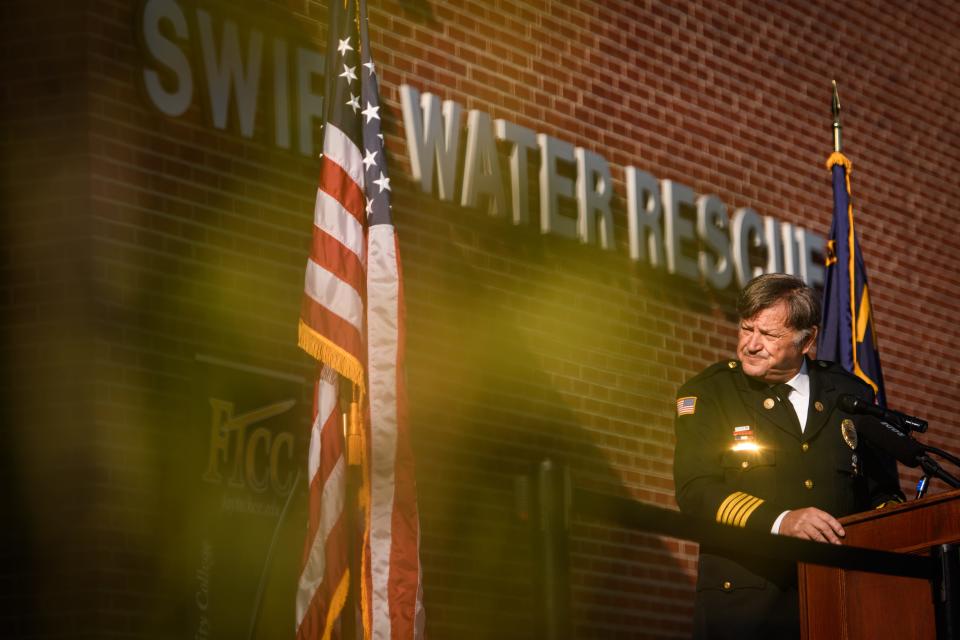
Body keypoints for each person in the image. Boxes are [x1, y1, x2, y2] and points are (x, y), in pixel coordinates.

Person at [672, 273, 903, 639]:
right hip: (749, 612)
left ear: (807, 340)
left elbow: (882, 494)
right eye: (747, 329)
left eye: (769, 335)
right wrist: (782, 521)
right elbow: (696, 491)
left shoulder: (848, 393)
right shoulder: (710, 394)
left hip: (841, 605)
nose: (751, 344)